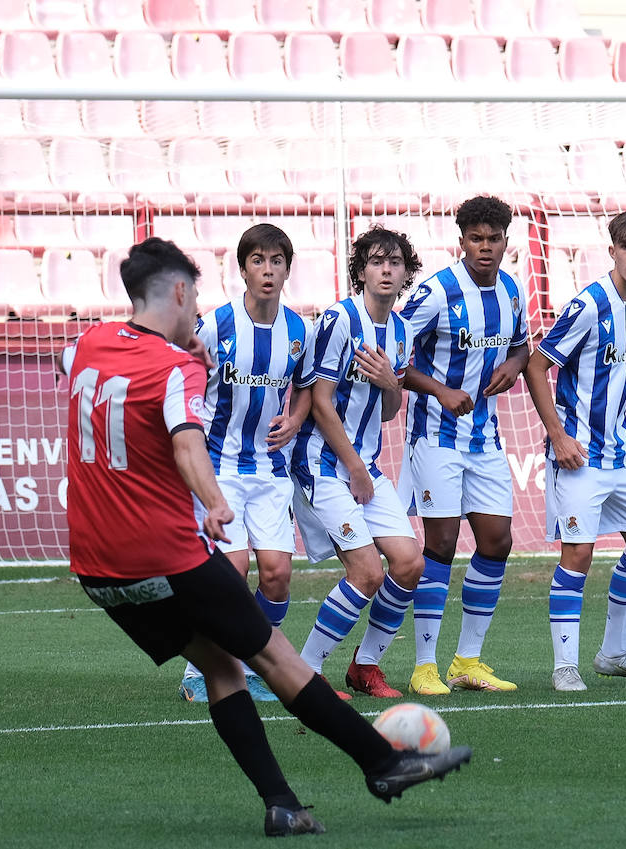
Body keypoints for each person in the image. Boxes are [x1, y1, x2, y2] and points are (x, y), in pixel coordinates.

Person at [66, 237, 471, 836]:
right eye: (194, 295)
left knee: (221, 669)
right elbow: (185, 440)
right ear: (180, 292)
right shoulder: (175, 367)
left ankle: (282, 804)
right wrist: (214, 501)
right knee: (275, 657)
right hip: (163, 551)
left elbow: (88, 373)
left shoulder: (88, 344)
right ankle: (385, 763)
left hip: (99, 570)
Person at [521, 212, 626, 693]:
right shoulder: (588, 305)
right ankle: (565, 665)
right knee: (578, 554)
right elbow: (537, 364)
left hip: (620, 453)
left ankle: (614, 653)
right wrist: (559, 435)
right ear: (611, 251)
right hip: (578, 454)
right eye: (624, 246)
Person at [397, 195, 530, 697]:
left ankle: (467, 661)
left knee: (497, 541)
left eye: (494, 239)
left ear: (505, 243)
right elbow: (393, 353)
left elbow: (522, 344)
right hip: (435, 438)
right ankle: (424, 665)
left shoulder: (512, 292)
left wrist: (515, 366)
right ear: (462, 242)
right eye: (476, 239)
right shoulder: (436, 293)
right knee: (442, 545)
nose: (485, 248)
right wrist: (439, 390)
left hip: (486, 438)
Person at [179, 224, 312, 703]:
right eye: (258, 260)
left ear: (287, 270)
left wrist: (296, 419)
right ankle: (201, 668)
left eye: (277, 261)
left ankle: (252, 661)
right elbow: (185, 383)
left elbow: (310, 389)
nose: (268, 270)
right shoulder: (216, 325)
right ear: (242, 270)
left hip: (272, 470)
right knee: (231, 571)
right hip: (221, 468)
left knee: (276, 574)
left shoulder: (300, 331)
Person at [290, 226, 424, 699]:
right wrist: (355, 469)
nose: (386, 270)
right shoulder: (338, 320)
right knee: (366, 572)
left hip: (363, 465)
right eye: (376, 261)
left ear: (406, 271)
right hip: (326, 465)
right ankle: (305, 674)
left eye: (395, 262)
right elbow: (321, 402)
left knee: (409, 564)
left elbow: (389, 410)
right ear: (361, 270)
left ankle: (365, 667)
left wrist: (392, 381)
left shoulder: (403, 330)